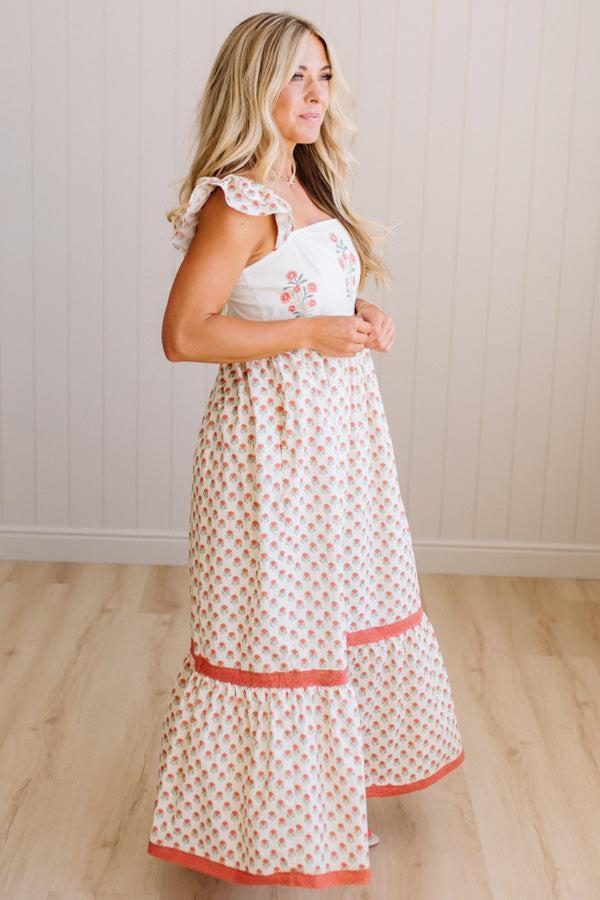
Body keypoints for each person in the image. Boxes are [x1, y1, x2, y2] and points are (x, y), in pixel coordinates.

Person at [146, 11, 465, 889]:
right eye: (295, 76)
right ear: (255, 86)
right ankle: (266, 832)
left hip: (338, 444)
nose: (316, 93)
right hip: (271, 453)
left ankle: (320, 804)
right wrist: (310, 333)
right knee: (275, 626)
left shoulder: (305, 183)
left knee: (332, 612)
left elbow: (293, 299)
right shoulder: (239, 199)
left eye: (323, 75)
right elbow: (184, 334)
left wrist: (357, 318)